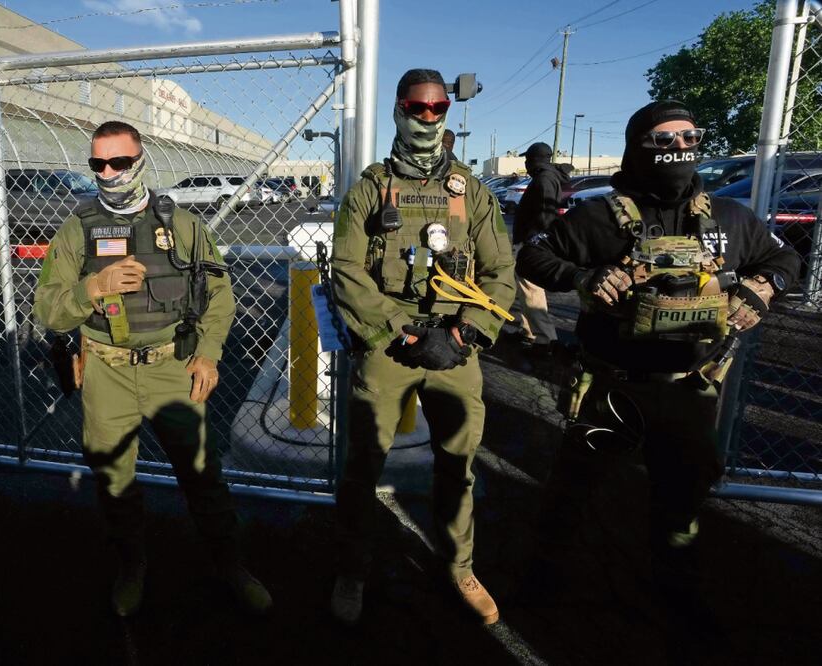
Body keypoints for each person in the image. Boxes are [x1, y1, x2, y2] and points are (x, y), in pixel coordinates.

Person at [517, 101, 799, 619]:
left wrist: (762, 287)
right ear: (636, 145)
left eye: (690, 139)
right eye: (663, 141)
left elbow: (785, 258)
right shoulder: (597, 216)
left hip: (691, 389)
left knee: (681, 501)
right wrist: (585, 277)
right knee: (571, 493)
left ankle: (678, 591)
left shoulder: (731, 218)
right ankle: (544, 582)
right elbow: (534, 254)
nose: (680, 150)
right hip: (611, 389)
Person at [33, 121, 271, 617]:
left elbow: (219, 295)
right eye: (98, 164)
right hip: (106, 372)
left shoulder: (182, 225)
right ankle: (132, 566)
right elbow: (48, 311)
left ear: (141, 162)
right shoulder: (76, 229)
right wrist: (92, 289)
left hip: (171, 369)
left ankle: (230, 565)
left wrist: (208, 353)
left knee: (203, 477)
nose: (109, 173)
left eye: (120, 162)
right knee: (115, 481)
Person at [328, 68, 516, 625]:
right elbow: (345, 270)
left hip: (456, 350)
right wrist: (400, 330)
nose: (428, 118)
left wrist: (464, 332)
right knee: (362, 466)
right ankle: (352, 568)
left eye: (437, 109)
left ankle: (460, 568)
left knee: (457, 465)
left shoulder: (472, 192)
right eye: (417, 107)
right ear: (398, 109)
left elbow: (501, 269)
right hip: (390, 347)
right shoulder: (368, 189)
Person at [511, 141, 564, 354]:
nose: (525, 163)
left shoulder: (544, 179)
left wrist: (535, 242)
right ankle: (529, 331)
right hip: (531, 241)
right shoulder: (545, 177)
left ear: (534, 160)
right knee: (526, 290)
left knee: (532, 290)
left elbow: (545, 215)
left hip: (533, 244)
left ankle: (545, 339)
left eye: (527, 159)